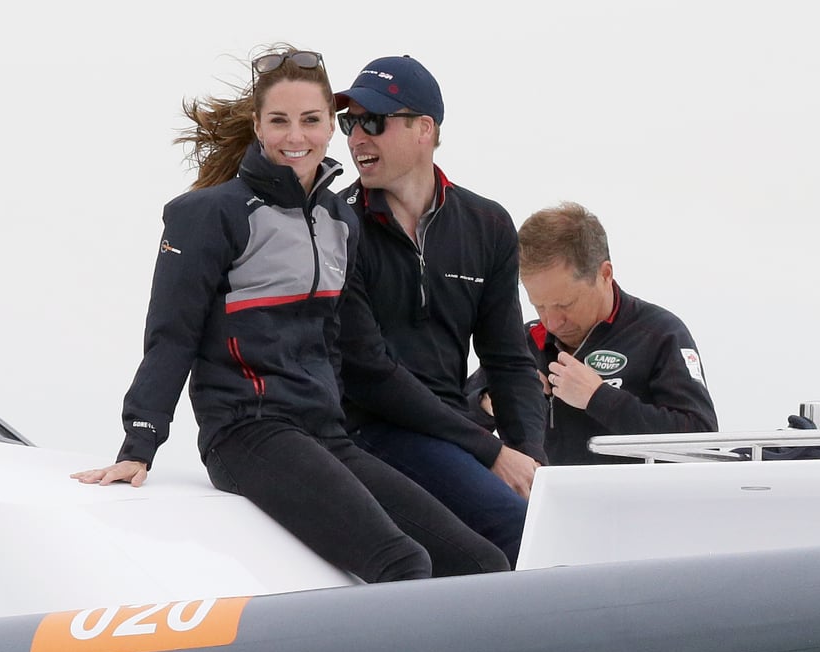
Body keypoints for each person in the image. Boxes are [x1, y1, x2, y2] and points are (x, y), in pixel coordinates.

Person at [71, 44, 510, 582]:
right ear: (258, 125)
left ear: (330, 129)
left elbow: (337, 343)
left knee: (481, 563)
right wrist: (140, 442)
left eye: (311, 120)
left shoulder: (336, 222)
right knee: (402, 562)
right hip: (246, 433)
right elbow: (171, 336)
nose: (295, 136)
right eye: (279, 121)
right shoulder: (210, 215)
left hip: (325, 434)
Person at [332, 55, 547, 568]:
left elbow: (509, 360)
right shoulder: (337, 227)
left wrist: (532, 460)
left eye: (374, 122)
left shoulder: (488, 224)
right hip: (371, 431)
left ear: (424, 129)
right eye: (350, 122)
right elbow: (370, 375)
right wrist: (491, 452)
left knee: (549, 516)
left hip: (452, 432)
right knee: (518, 531)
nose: (357, 138)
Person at [466, 201, 719, 465]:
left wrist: (599, 398)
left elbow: (702, 437)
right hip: (546, 504)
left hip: (637, 502)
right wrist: (493, 403)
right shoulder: (524, 343)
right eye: (538, 305)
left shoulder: (660, 334)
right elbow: (450, 421)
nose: (551, 321)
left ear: (605, 274)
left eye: (565, 304)